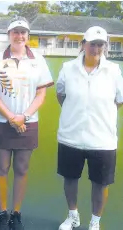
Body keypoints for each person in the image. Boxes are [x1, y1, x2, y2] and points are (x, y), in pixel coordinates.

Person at [0, 17, 54, 230]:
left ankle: (16, 213)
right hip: (2, 121)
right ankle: (2, 213)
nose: (19, 36)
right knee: (1, 169)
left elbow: (41, 93)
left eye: (23, 32)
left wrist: (24, 116)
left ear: (28, 35)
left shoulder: (38, 60)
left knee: (22, 169)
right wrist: (11, 117)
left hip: (28, 122)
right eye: (15, 32)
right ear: (9, 35)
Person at [56, 26, 123, 230]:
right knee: (70, 179)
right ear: (83, 44)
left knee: (100, 184)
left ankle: (95, 222)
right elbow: (61, 94)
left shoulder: (113, 70)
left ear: (105, 46)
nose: (96, 48)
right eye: (92, 44)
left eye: (100, 44)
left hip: (102, 139)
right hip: (71, 135)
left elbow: (119, 100)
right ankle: (73, 216)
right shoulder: (68, 68)